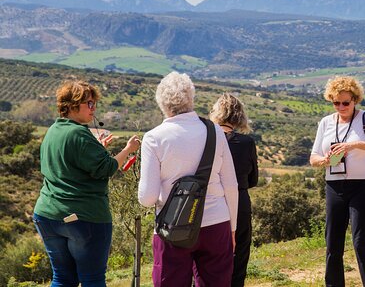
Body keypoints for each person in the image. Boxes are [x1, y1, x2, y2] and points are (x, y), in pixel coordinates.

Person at [33, 80, 140, 286]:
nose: (94, 109)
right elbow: (107, 168)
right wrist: (128, 149)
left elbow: (71, 163)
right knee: (92, 279)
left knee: (63, 278)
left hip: (47, 215)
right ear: (73, 105)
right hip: (84, 217)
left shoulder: (53, 131)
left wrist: (97, 148)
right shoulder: (80, 134)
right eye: (89, 104)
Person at [138, 72, 238, 287]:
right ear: (191, 97)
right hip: (216, 222)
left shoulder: (154, 138)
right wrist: (232, 228)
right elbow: (231, 185)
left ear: (161, 103)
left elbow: (147, 198)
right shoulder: (215, 131)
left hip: (172, 227)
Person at [310, 76, 365, 287]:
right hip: (334, 186)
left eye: (346, 102)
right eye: (336, 102)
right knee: (332, 244)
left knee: (362, 243)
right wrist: (324, 161)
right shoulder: (326, 122)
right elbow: (313, 157)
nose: (341, 107)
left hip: (363, 186)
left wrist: (353, 146)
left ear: (355, 100)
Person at [210, 93, 259, 287]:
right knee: (239, 258)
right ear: (240, 116)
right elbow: (253, 180)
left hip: (212, 203)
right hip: (240, 203)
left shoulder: (207, 140)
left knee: (208, 260)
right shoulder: (247, 143)